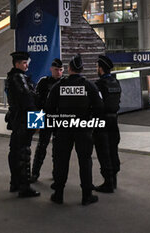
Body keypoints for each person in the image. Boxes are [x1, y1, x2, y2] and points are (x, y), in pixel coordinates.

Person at [46, 54, 104, 206]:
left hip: (63, 129)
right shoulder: (89, 86)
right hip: (83, 128)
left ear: (69, 69)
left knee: (61, 161)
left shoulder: (58, 86)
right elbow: (99, 108)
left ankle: (58, 194)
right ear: (82, 69)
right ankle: (87, 195)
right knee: (85, 161)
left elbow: (49, 109)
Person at [4, 51, 40, 198]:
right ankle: (24, 187)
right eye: (24, 63)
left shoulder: (11, 77)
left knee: (15, 151)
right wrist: (38, 120)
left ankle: (15, 183)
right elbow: (28, 100)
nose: (26, 66)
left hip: (17, 118)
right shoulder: (19, 77)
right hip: (24, 118)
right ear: (17, 64)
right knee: (24, 152)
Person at [30, 58, 64, 183]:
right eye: (56, 70)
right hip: (46, 117)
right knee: (41, 147)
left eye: (61, 70)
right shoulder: (44, 82)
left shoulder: (65, 83)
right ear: (51, 69)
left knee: (58, 149)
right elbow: (36, 102)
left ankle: (57, 173)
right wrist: (34, 124)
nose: (59, 72)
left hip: (59, 119)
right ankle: (35, 173)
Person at [93, 55, 121, 193]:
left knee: (103, 151)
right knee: (113, 150)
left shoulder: (99, 85)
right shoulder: (116, 82)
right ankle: (114, 180)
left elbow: (96, 104)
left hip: (102, 121)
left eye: (97, 67)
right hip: (114, 121)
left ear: (101, 69)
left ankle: (108, 183)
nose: (96, 69)